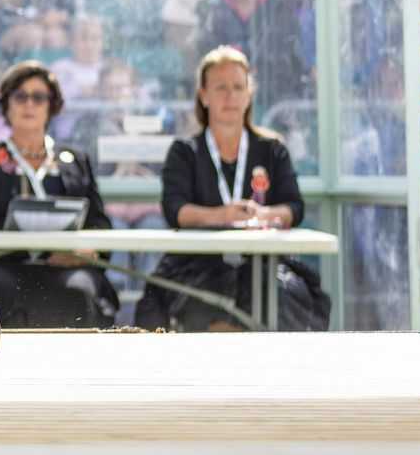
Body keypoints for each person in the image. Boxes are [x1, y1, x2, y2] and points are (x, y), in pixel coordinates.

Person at [134, 46, 328, 331]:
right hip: (198, 263)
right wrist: (223, 215)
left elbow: (294, 207)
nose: (230, 96)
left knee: (283, 297)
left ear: (249, 93)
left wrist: (263, 215)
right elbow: (175, 210)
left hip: (263, 263)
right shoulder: (185, 151)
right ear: (203, 95)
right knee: (205, 303)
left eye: (238, 87)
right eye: (220, 87)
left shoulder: (272, 149)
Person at [0, 61, 117, 329]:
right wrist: (23, 246)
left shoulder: (76, 160)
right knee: (4, 288)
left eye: (39, 97)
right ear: (6, 104)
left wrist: (80, 253)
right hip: (3, 264)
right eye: (20, 96)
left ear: (51, 106)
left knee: (79, 290)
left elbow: (100, 224)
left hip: (67, 265)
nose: (29, 104)